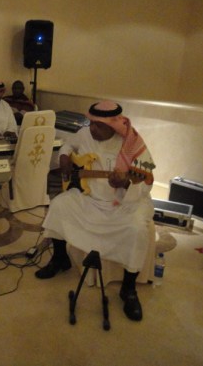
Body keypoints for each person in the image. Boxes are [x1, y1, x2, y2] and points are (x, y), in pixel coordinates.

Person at [35, 101, 155, 322]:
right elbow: (68, 145)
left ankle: (128, 289)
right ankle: (60, 259)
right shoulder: (85, 133)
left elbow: (147, 183)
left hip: (124, 205)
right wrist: (64, 156)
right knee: (59, 205)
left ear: (114, 126)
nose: (92, 129)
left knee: (137, 229)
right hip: (90, 199)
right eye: (91, 123)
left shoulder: (133, 144)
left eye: (98, 125)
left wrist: (126, 183)